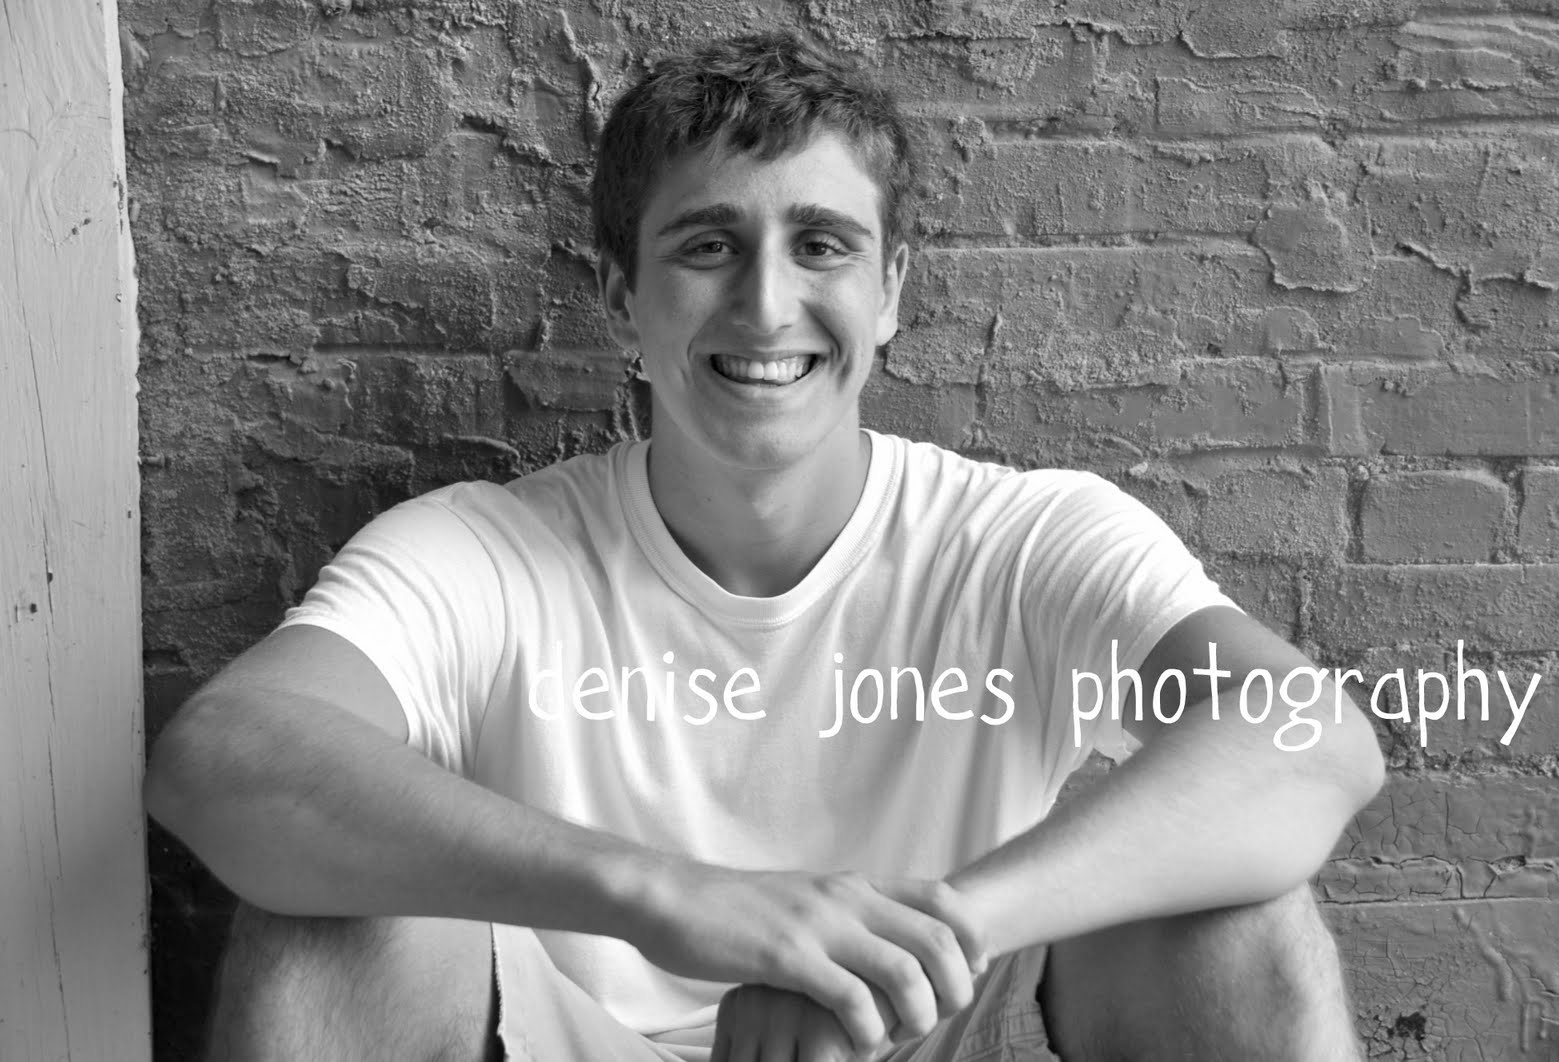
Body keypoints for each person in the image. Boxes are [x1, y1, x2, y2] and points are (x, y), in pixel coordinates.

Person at [144, 30, 1386, 1062]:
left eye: (822, 245)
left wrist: (896, 948)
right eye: (707, 246)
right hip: (568, 1038)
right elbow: (225, 755)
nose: (766, 304)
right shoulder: (482, 554)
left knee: (1238, 910)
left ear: (889, 291)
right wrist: (673, 901)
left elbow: (1309, 739)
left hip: (920, 1028)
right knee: (322, 917)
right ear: (622, 298)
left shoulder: (1023, 538)